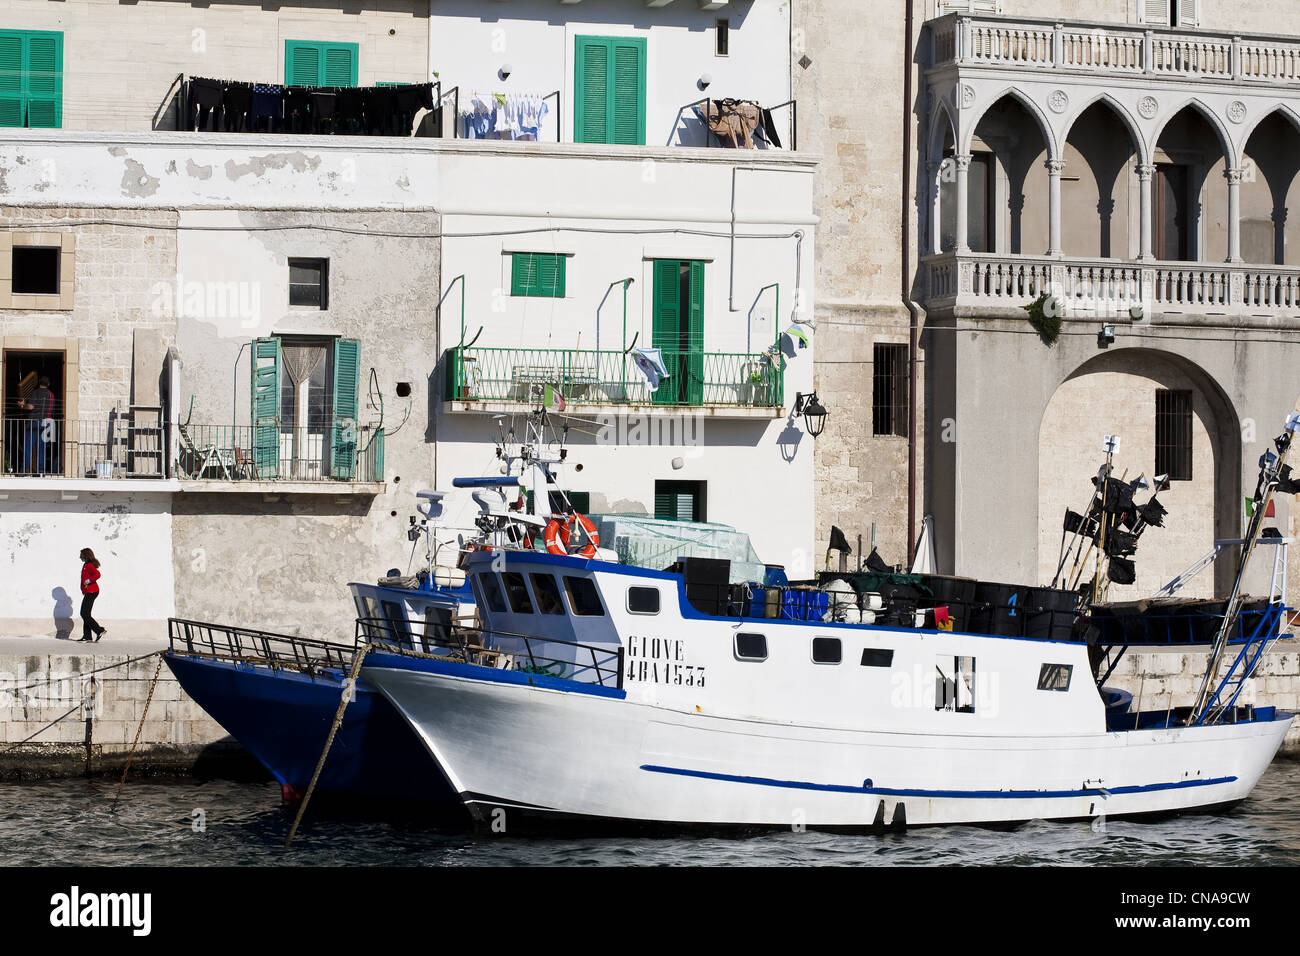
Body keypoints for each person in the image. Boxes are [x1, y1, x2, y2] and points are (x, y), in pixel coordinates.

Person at [20, 376, 56, 475]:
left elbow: (31, 406)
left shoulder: (36, 392)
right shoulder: (51, 395)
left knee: (29, 446)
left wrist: (23, 405)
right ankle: (41, 470)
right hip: (47, 423)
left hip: (34, 422)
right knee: (42, 448)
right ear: (48, 384)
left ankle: (25, 470)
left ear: (39, 383)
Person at [78, 548, 106, 643]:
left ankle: (99, 630)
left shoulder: (89, 565)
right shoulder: (86, 565)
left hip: (92, 591)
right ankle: (87, 637)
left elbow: (97, 574)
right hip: (89, 591)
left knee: (84, 613)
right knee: (86, 614)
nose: (80, 557)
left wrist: (89, 581)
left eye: (81, 555)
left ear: (85, 555)